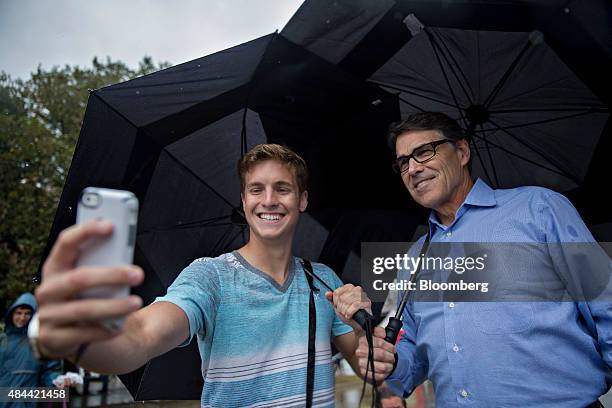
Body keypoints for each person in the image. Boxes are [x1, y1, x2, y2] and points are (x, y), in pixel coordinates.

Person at [32, 144, 375, 407]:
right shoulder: (209, 278)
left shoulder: (325, 280)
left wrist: (365, 330)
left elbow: (368, 367)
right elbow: (140, 336)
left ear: (302, 199)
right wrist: (85, 338)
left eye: (282, 189)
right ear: (243, 201)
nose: (269, 200)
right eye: (256, 189)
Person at [335, 112, 612, 407]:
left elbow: (606, 304)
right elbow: (411, 365)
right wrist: (380, 353)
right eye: (403, 162)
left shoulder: (538, 209)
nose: (413, 168)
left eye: (423, 152)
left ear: (462, 152)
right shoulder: (416, 256)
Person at [0, 293, 72, 408]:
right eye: (18, 313)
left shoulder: (40, 343)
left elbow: (50, 371)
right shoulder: (2, 340)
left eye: (27, 314)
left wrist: (58, 380)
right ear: (11, 314)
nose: (22, 318)